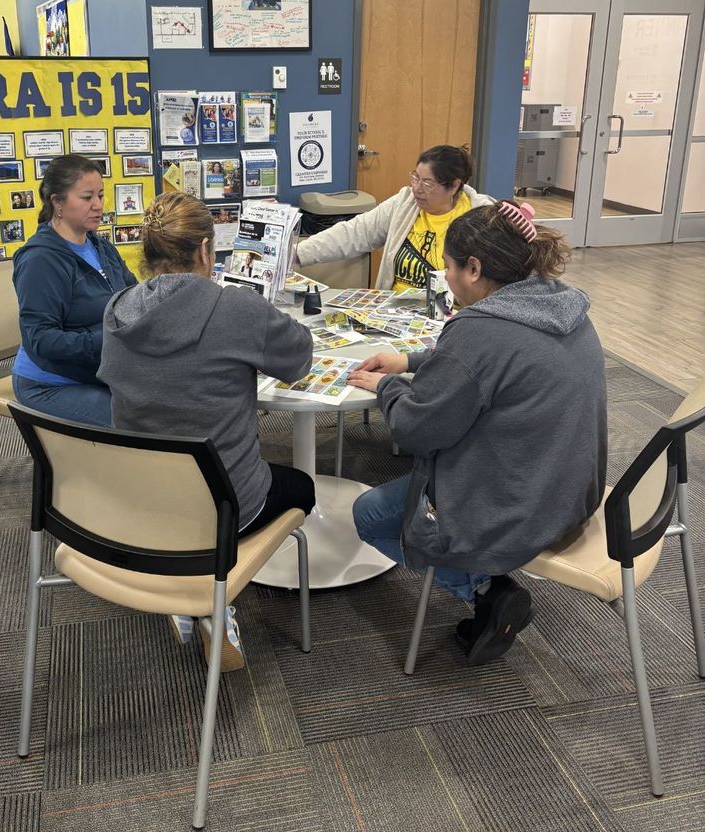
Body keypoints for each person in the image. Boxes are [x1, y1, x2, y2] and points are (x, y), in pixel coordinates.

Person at [348, 200, 607, 666]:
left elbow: (414, 430)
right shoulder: (558, 303)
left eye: (447, 266)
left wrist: (387, 386)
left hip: (516, 509)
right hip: (572, 492)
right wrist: (409, 362)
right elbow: (487, 364)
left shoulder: (481, 332)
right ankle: (486, 583)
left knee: (369, 515)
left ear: (473, 267)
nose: (443, 276)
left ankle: (485, 587)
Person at [98, 191, 316, 669]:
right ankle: (209, 597)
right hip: (225, 506)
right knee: (301, 487)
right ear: (204, 250)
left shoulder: (117, 310)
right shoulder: (236, 309)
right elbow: (300, 358)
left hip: (139, 505)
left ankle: (184, 593)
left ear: (148, 253)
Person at [12, 155, 137, 427]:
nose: (98, 206)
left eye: (101, 196)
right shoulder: (40, 260)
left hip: (100, 368)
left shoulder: (100, 246)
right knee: (140, 423)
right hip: (51, 382)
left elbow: (133, 296)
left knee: (173, 404)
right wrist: (108, 338)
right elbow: (41, 339)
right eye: (87, 198)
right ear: (57, 202)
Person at [297, 145, 494, 290]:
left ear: (454, 186)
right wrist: (297, 253)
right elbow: (355, 233)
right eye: (415, 177)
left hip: (448, 320)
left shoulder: (481, 216)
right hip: (394, 316)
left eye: (427, 183)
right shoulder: (404, 203)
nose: (416, 188)